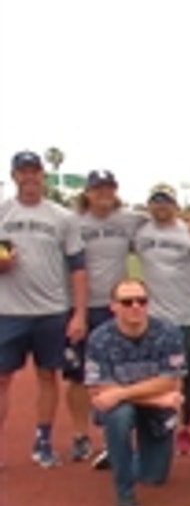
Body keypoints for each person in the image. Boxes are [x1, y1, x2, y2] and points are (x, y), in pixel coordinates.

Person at [0, 150, 87, 468]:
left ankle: (43, 440)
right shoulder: (3, 213)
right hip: (8, 310)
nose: (29, 177)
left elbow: (78, 266)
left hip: (51, 309)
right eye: (23, 172)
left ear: (43, 176)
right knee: (2, 378)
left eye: (34, 171)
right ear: (14, 176)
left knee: (48, 375)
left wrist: (79, 313)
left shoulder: (62, 217)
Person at [64, 169, 148, 464]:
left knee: (120, 373)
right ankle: (79, 435)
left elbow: (166, 222)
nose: (103, 194)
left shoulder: (129, 219)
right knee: (77, 375)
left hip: (118, 306)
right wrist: (78, 312)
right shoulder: (71, 222)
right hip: (80, 307)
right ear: (87, 192)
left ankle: (117, 440)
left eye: (109, 188)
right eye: (98, 189)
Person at [83, 278, 185, 506]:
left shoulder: (168, 333)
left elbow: (170, 381)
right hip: (133, 406)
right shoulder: (100, 338)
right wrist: (155, 398)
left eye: (142, 301)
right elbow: (99, 391)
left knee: (154, 477)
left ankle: (121, 456)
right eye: (127, 302)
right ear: (113, 306)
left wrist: (122, 393)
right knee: (119, 416)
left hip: (154, 409)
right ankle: (124, 493)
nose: (135, 306)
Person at [132, 183, 190, 457]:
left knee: (187, 376)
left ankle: (185, 427)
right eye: (155, 201)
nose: (160, 206)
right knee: (152, 375)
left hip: (187, 317)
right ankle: (154, 427)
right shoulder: (140, 232)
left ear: (175, 205)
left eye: (166, 201)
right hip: (152, 318)